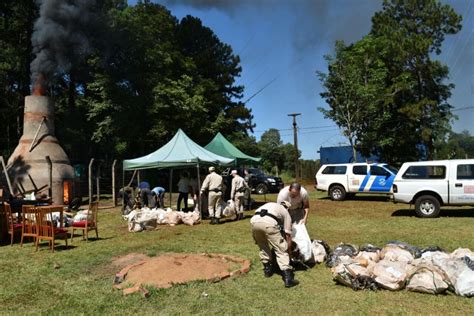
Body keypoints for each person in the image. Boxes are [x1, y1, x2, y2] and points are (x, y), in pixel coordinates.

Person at [250, 201, 299, 288]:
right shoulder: (285, 211)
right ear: (287, 208)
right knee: (281, 249)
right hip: (269, 224)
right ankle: (288, 279)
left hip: (254, 222)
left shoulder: (271, 205)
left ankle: (267, 271)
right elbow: (288, 234)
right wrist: (288, 249)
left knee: (263, 246)